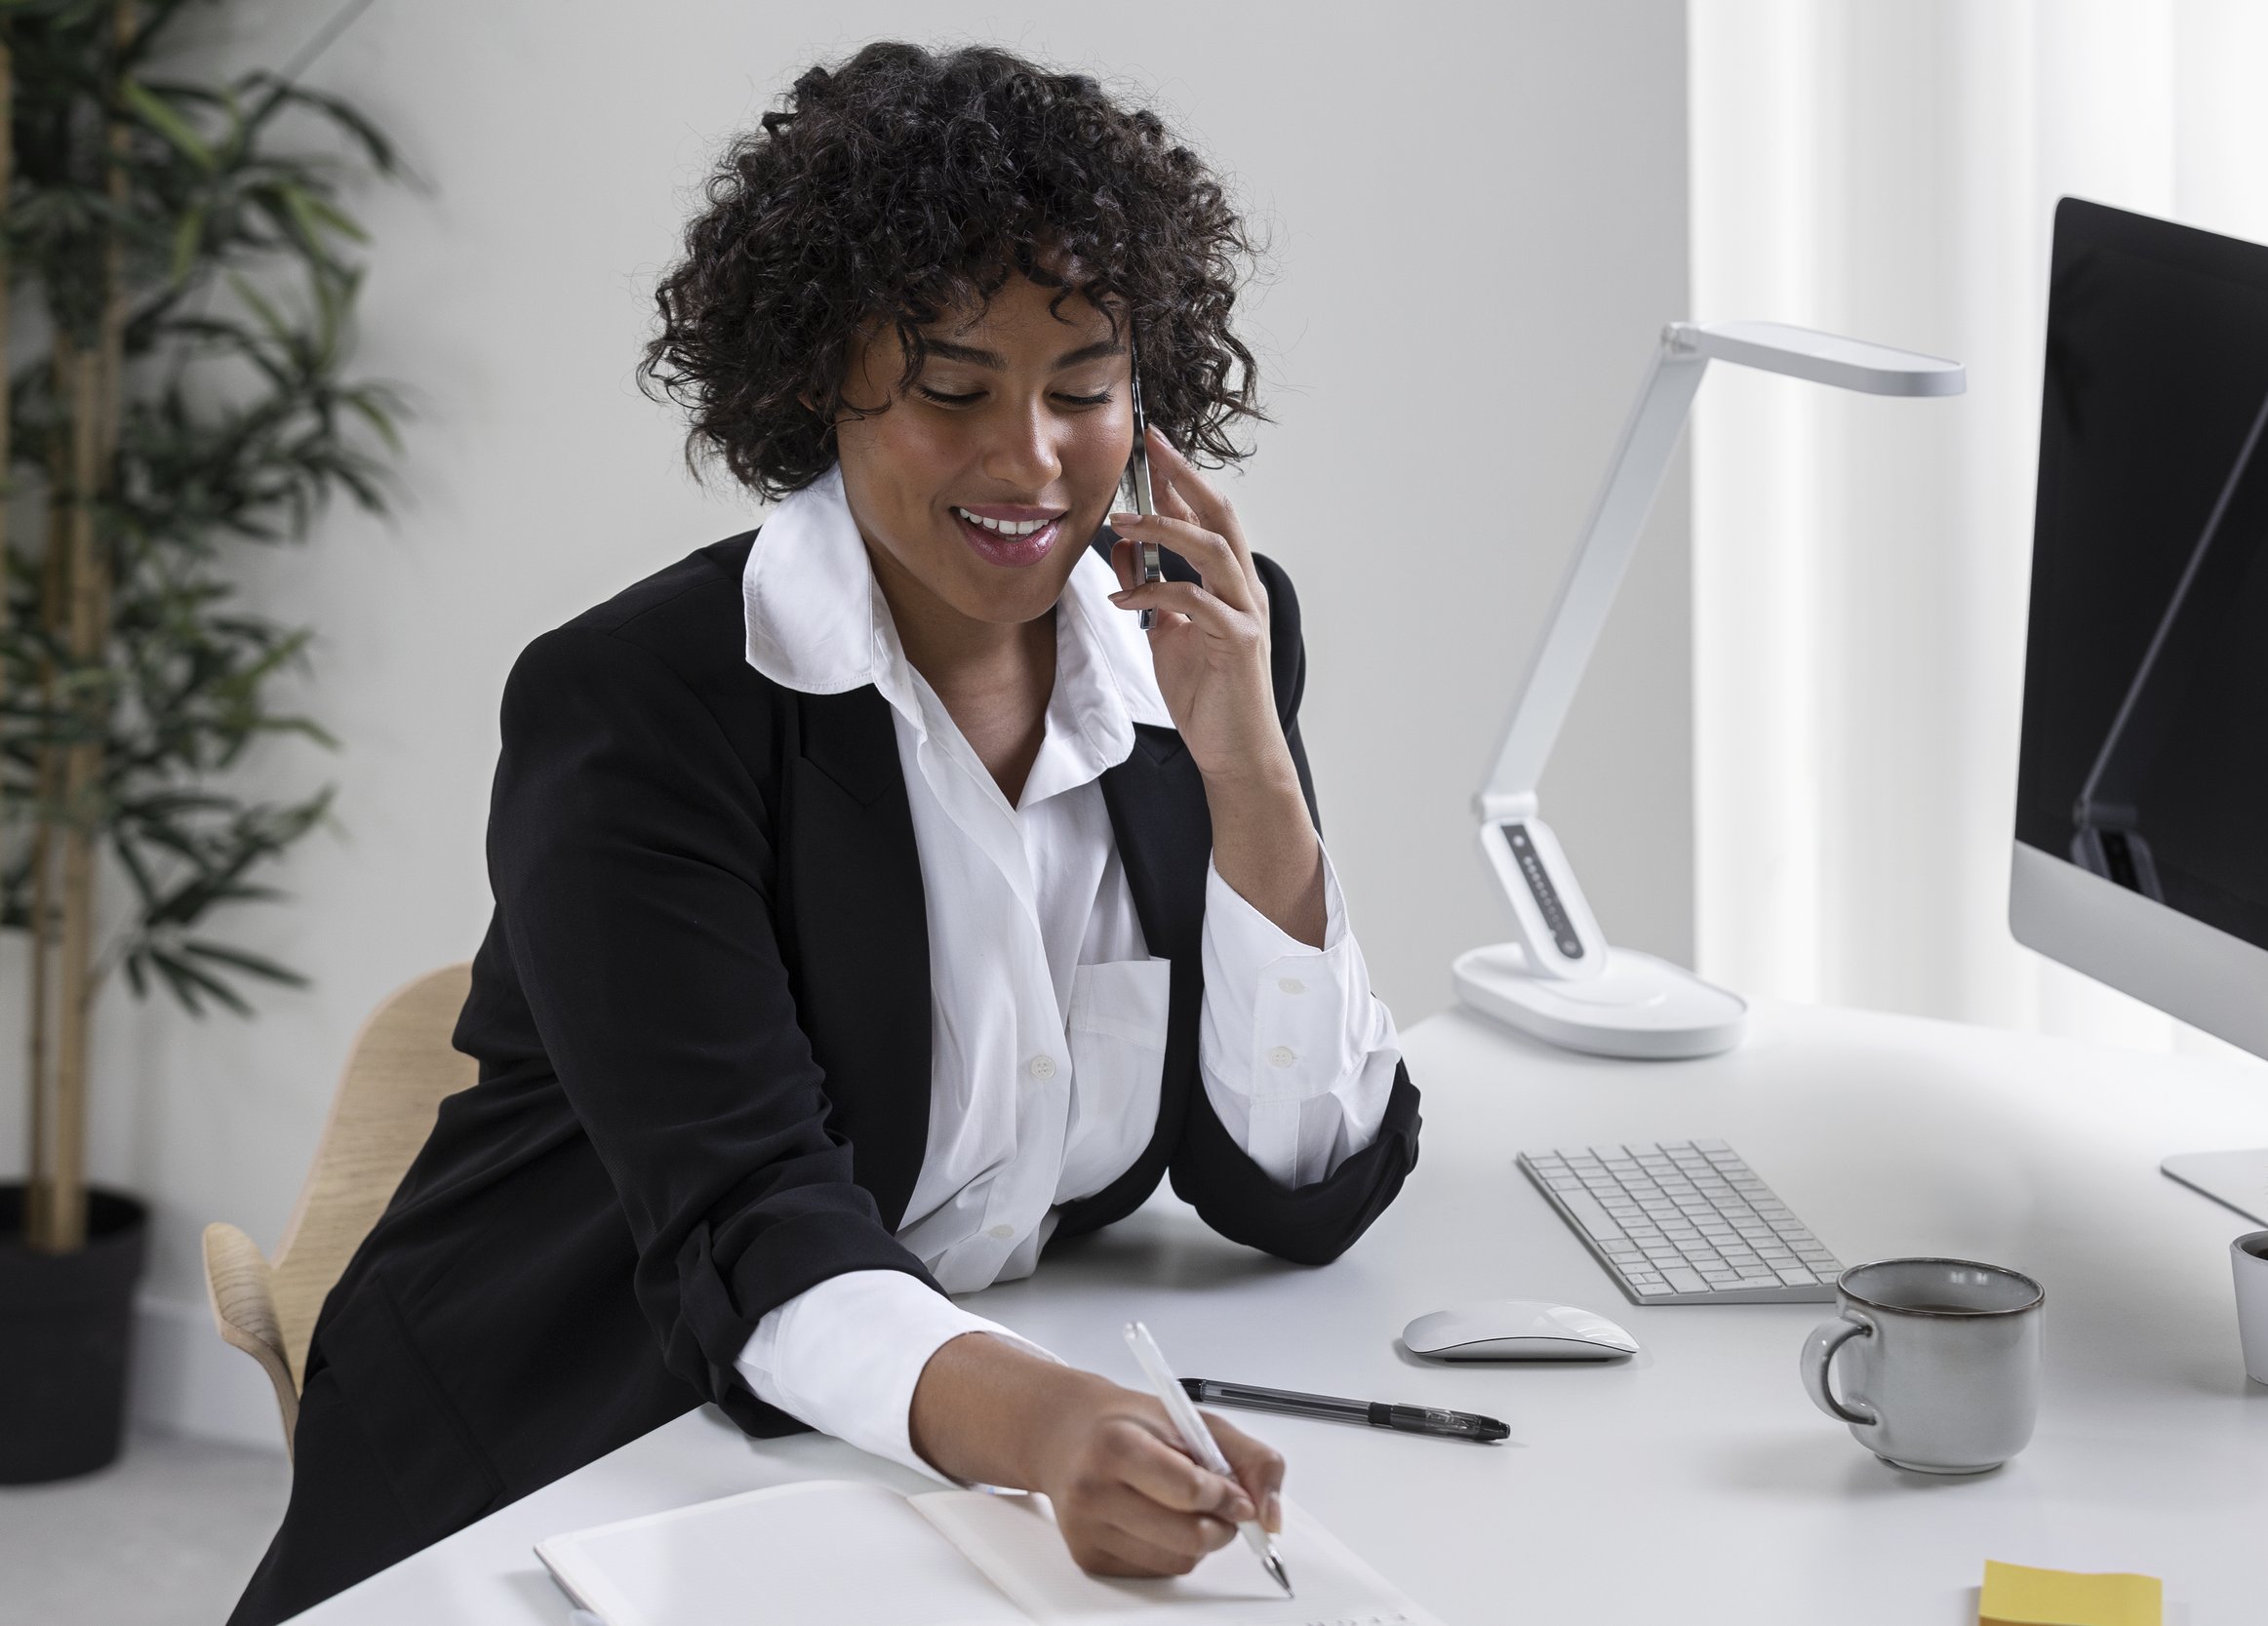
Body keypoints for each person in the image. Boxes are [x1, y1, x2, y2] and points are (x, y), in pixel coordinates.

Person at [229, 40, 1421, 1626]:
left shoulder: (1198, 645)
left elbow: (1293, 1192)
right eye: (952, 390)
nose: (1031, 458)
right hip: (573, 1454)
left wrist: (1249, 768)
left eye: (1083, 390)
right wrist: (1045, 1427)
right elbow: (752, 1220)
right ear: (816, 382)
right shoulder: (640, 709)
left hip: (899, 1463)